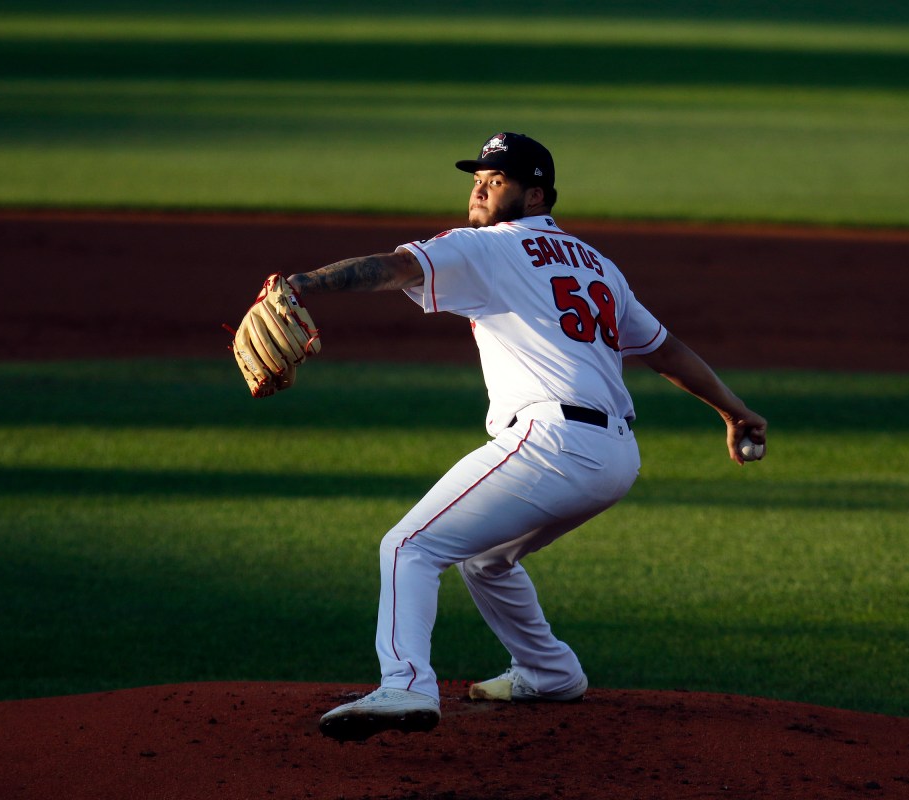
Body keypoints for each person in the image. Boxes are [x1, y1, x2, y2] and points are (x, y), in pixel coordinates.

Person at [286, 132, 767, 742]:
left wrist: (303, 283)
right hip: (615, 457)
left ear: (535, 193)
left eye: (498, 180)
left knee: (409, 547)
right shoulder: (596, 263)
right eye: (477, 177)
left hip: (552, 442)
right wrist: (733, 409)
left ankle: (404, 685)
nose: (480, 187)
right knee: (486, 559)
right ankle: (549, 671)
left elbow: (397, 268)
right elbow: (662, 348)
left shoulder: (486, 248)